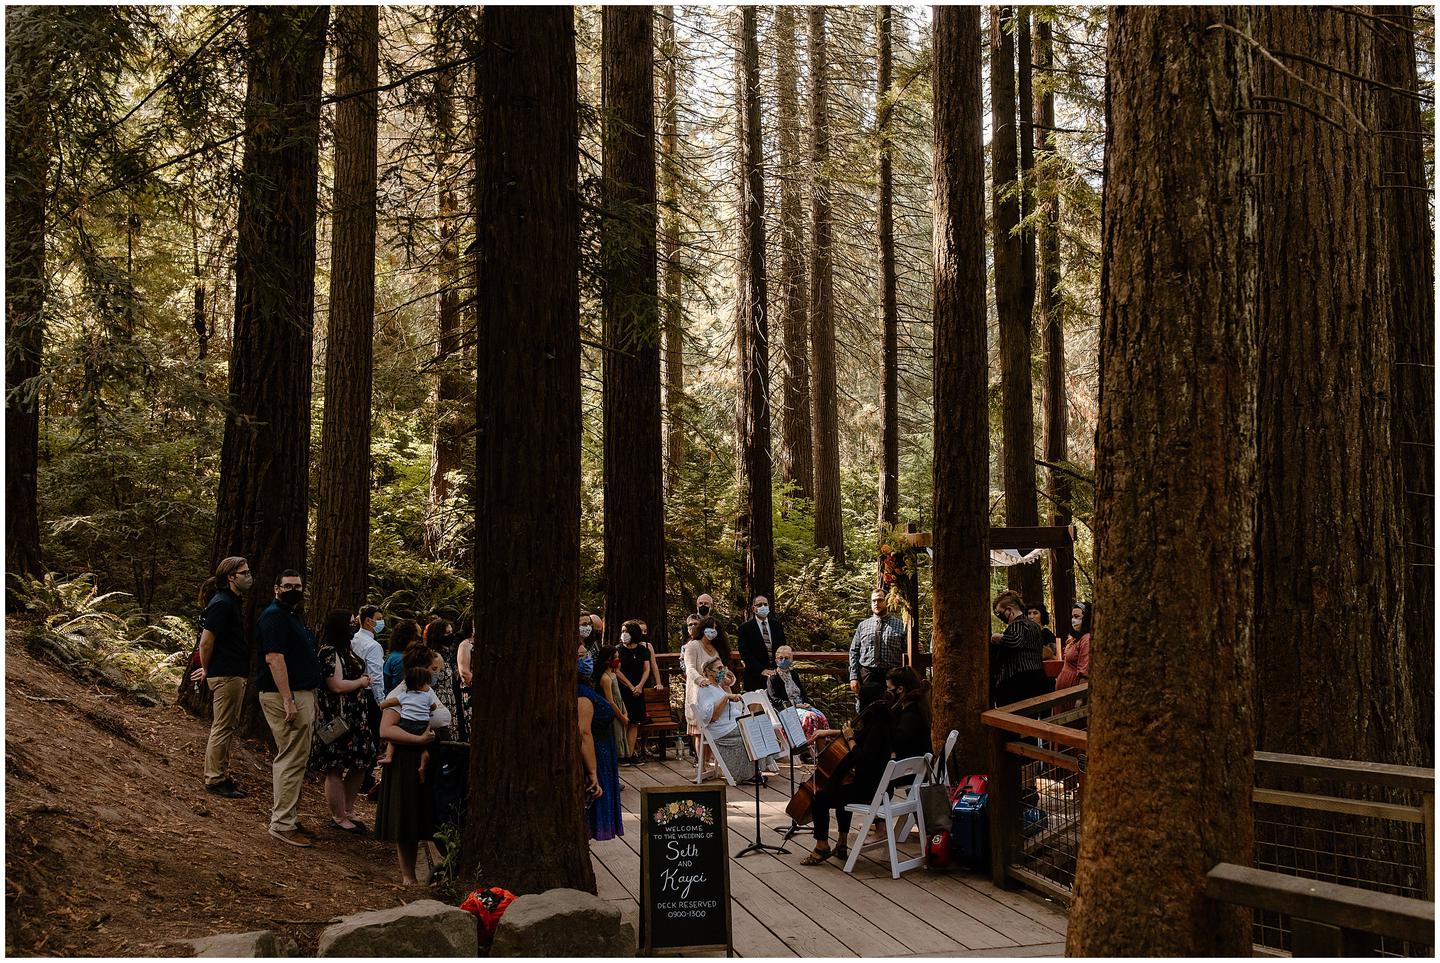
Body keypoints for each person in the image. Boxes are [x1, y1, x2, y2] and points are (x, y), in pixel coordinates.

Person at [256, 569, 322, 847]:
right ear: (277, 588)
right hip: (285, 696)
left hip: (301, 694)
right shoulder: (274, 616)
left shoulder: (292, 616)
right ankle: (282, 824)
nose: (293, 590)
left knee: (297, 758)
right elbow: (274, 658)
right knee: (291, 758)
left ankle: (289, 817)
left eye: (298, 586)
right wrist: (287, 699)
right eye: (288, 586)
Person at [800, 684, 894, 866]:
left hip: (872, 792)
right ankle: (841, 844)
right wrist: (836, 732)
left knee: (820, 797)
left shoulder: (877, 728)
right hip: (882, 789)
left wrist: (850, 738)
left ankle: (821, 846)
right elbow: (862, 736)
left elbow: (863, 759)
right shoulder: (884, 721)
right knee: (841, 788)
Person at [309, 609, 379, 834]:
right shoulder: (329, 651)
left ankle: (348, 809)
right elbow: (336, 685)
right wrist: (361, 682)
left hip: (357, 717)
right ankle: (338, 815)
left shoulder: (348, 649)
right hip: (338, 717)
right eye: (349, 623)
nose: (353, 626)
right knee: (336, 766)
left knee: (362, 763)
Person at [192, 556, 253, 798]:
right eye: (244, 573)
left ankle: (221, 774)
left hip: (233, 672)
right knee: (222, 726)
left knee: (228, 726)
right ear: (230, 577)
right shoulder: (222, 603)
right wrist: (208, 669)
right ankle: (215, 778)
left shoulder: (232, 602)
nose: (248, 577)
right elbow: (206, 642)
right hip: (225, 673)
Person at [374, 675, 438, 884]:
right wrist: (419, 739)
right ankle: (409, 876)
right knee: (407, 814)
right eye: (432, 671)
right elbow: (387, 728)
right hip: (409, 749)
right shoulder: (401, 695)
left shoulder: (424, 694)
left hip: (421, 742)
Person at [693, 657, 779, 783]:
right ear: (709, 672)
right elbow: (712, 717)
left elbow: (730, 681)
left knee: (761, 724)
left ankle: (757, 769)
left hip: (733, 724)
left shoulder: (718, 687)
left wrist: (728, 694)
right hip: (722, 730)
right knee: (754, 729)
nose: (722, 671)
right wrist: (726, 698)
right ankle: (747, 774)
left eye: (723, 668)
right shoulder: (705, 689)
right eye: (719, 668)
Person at [577, 644, 623, 841]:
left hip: (605, 748)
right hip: (596, 751)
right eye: (580, 656)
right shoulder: (581, 694)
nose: (586, 659)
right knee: (595, 801)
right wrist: (592, 771)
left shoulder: (587, 686)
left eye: (586, 654)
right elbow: (584, 732)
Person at [990, 591, 1050, 708]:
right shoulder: (1035, 626)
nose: (1000, 617)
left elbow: (1015, 641)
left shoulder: (1018, 624)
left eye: (1000, 613)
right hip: (1036, 679)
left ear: (1009, 610)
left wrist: (997, 637)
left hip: (1018, 683)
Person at [683, 616, 730, 756]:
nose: (713, 631)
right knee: (700, 731)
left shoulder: (716, 649)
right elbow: (689, 667)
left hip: (715, 693)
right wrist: (700, 679)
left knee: (714, 727)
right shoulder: (693, 645)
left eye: (716, 629)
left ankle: (711, 761)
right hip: (698, 692)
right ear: (703, 629)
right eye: (710, 628)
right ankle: (701, 763)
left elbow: (720, 670)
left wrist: (727, 678)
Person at [848, 588, 906, 701]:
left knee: (892, 707)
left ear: (887, 601)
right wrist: (853, 677)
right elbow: (854, 651)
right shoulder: (863, 626)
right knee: (866, 708)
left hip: (892, 675)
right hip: (867, 675)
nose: (876, 603)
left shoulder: (900, 625)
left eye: (880, 600)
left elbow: (907, 649)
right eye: (873, 601)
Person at [767, 644, 830, 746]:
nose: (783, 660)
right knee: (810, 717)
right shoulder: (773, 677)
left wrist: (805, 703)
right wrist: (795, 705)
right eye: (780, 658)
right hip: (787, 709)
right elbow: (775, 700)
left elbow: (802, 692)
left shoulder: (793, 674)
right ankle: (806, 745)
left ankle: (823, 746)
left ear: (791, 659)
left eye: (786, 658)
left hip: (801, 706)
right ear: (776, 660)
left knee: (820, 716)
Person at [615, 621, 652, 762]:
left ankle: (630, 754)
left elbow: (646, 669)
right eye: (622, 631)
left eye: (627, 631)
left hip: (638, 690)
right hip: (623, 690)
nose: (624, 634)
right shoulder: (618, 650)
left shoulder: (643, 650)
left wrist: (640, 686)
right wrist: (630, 686)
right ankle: (621, 754)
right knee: (624, 721)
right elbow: (617, 670)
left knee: (635, 722)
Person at [737, 594, 786, 692]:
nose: (763, 607)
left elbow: (783, 648)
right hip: (755, 677)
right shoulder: (745, 628)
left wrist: (778, 668)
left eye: (765, 604)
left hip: (777, 674)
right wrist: (762, 670)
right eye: (759, 605)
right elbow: (745, 654)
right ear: (753, 608)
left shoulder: (777, 625)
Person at [886, 666, 932, 762]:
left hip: (911, 766)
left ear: (900, 689)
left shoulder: (911, 715)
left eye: (889, 688)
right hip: (914, 764)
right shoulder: (916, 706)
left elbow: (898, 743)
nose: (887, 692)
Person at [595, 644, 631, 765]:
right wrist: (621, 716)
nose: (617, 660)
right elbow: (610, 701)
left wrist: (625, 712)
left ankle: (624, 755)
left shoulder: (613, 674)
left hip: (620, 708)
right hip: (614, 712)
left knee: (622, 734)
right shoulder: (605, 678)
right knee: (616, 734)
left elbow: (619, 697)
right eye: (615, 657)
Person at [351, 605, 387, 706]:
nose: (382, 622)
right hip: (370, 694)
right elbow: (376, 677)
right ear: (368, 621)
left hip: (353, 690)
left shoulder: (353, 639)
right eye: (379, 619)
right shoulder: (373, 646)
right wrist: (381, 701)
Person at [1057, 601, 1092, 691]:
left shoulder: (1086, 638)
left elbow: (1084, 672)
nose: (1073, 620)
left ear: (1086, 618)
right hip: (1065, 689)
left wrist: (1079, 696)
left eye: (1076, 617)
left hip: (1073, 689)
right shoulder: (1075, 637)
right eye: (1072, 617)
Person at [384, 620, 420, 692]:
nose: (419, 642)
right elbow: (400, 689)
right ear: (408, 638)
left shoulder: (396, 654)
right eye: (417, 638)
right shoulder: (400, 659)